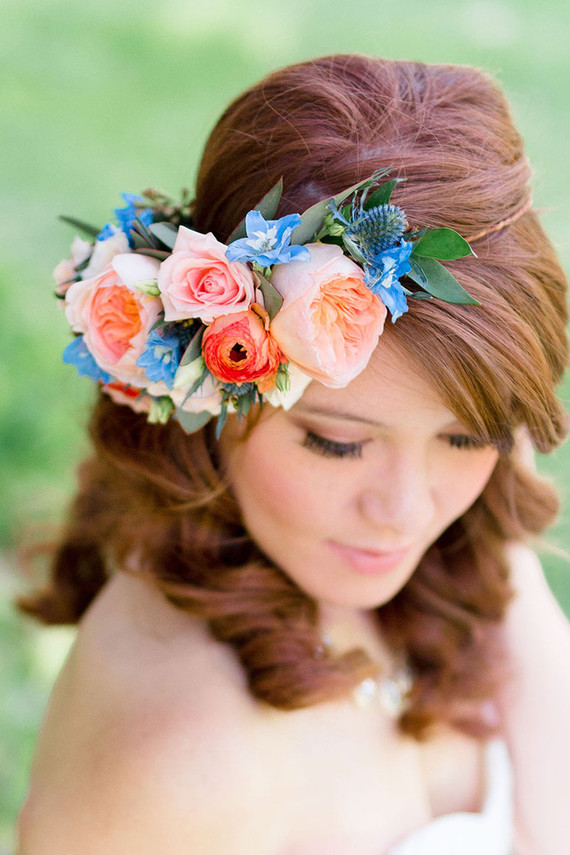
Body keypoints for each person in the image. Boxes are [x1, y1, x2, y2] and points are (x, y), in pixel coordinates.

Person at [16, 54, 570, 855]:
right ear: (214, 384)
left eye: (466, 436)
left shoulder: (460, 561)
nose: (407, 510)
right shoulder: (179, 754)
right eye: (337, 442)